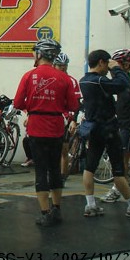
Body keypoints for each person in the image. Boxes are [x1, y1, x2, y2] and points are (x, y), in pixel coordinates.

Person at [13, 39, 79, 226]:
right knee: (54, 169)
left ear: (40, 54)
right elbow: (73, 105)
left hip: (36, 126)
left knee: (40, 169)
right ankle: (57, 209)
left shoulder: (29, 76)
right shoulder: (64, 78)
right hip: (56, 126)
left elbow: (17, 103)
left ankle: (44, 212)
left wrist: (33, 107)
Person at [79, 49, 130, 218]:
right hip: (108, 129)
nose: (108, 67)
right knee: (118, 170)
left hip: (93, 129)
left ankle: (90, 204)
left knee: (90, 167)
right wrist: (117, 69)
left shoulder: (83, 81)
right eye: (107, 63)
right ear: (101, 62)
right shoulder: (100, 81)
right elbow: (122, 85)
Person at [99, 49, 130, 204]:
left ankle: (117, 190)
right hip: (123, 124)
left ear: (126, 64)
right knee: (128, 158)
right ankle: (118, 189)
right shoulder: (123, 80)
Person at [53, 52, 83, 183]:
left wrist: (73, 120)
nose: (63, 68)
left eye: (65, 65)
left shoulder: (71, 81)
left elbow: (77, 102)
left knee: (64, 149)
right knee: (51, 150)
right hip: (52, 118)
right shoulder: (50, 79)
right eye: (60, 66)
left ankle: (62, 177)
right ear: (54, 65)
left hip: (66, 118)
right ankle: (52, 174)